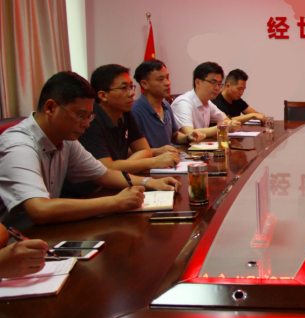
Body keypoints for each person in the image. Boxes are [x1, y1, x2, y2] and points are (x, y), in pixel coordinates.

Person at [0, 72, 180, 226]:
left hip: (48, 229)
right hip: (16, 238)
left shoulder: (66, 139)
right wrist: (115, 202)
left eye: (89, 116)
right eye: (80, 115)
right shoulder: (19, 145)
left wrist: (150, 183)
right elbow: (39, 210)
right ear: (50, 108)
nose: (86, 124)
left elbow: (104, 174)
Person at [75, 64, 181, 174]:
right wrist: (154, 162)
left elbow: (145, 150)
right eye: (124, 88)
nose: (132, 93)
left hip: (118, 179)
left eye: (131, 87)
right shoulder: (90, 120)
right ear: (103, 95)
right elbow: (106, 168)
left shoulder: (125, 112)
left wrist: (123, 167)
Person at [131, 59, 205, 152]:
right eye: (160, 79)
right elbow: (132, 150)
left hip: (169, 159)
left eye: (167, 77)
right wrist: (158, 151)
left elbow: (174, 136)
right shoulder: (135, 111)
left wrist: (188, 137)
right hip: (152, 160)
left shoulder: (165, 104)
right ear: (144, 84)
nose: (167, 83)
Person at [171, 62, 240, 137]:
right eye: (213, 82)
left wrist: (229, 124)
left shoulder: (207, 102)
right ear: (198, 82)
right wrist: (222, 127)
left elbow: (225, 119)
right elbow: (190, 133)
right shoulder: (183, 103)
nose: (217, 88)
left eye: (219, 83)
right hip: (186, 145)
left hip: (202, 144)